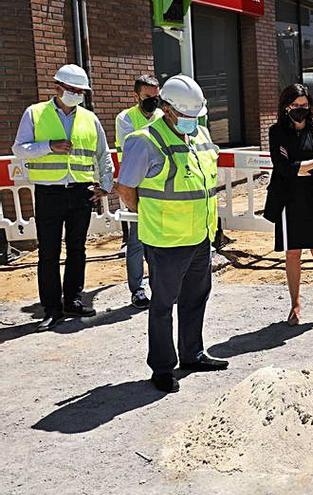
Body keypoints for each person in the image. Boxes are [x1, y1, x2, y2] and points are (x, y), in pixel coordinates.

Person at [115, 74, 228, 393]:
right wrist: (149, 215)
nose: (192, 122)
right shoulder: (144, 140)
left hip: (200, 236)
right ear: (166, 108)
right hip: (165, 241)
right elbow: (126, 188)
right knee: (163, 304)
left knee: (196, 298)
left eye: (196, 116)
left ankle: (192, 353)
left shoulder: (202, 134)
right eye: (186, 116)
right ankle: (162, 367)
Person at [12, 64, 114, 331]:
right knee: (49, 253)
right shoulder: (35, 113)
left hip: (82, 192)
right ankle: (52, 309)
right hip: (49, 192)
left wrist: (105, 185)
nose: (77, 94)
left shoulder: (89, 118)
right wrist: (49, 147)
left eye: (80, 91)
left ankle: (73, 300)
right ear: (57, 87)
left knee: (78, 249)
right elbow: (19, 149)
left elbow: (102, 154)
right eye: (72, 89)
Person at [265, 84, 313, 328]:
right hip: (288, 201)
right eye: (295, 106)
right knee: (292, 253)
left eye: (304, 106)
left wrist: (299, 167)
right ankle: (294, 305)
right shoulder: (276, 132)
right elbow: (282, 169)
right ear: (286, 107)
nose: (300, 110)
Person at [115, 74, 162, 310]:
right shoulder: (126, 119)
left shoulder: (164, 116)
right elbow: (134, 150)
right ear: (137, 96)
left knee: (159, 240)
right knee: (136, 241)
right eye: (148, 97)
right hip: (136, 186)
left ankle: (160, 286)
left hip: (159, 185)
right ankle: (137, 290)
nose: (153, 101)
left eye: (156, 96)